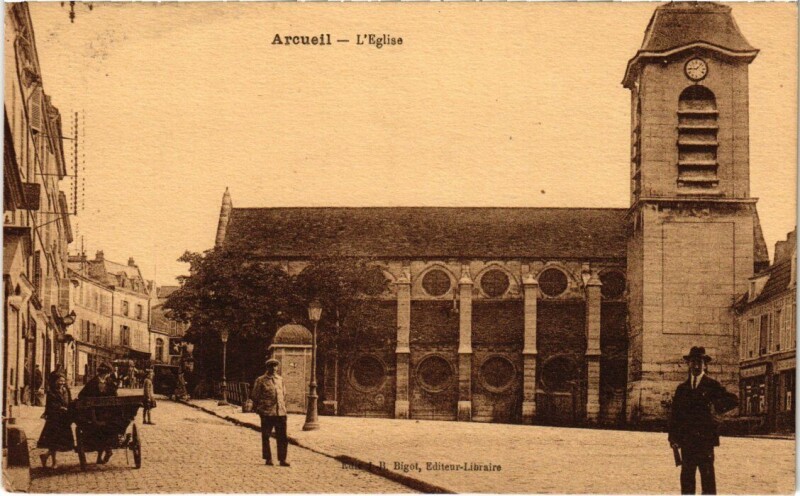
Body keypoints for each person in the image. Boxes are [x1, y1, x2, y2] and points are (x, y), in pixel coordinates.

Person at [668, 346, 738, 495]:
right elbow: (675, 416)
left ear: (705, 364)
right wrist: (673, 438)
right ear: (688, 364)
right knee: (687, 479)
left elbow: (733, 400)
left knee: (707, 480)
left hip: (705, 441)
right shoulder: (682, 389)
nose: (696, 365)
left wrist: (716, 409)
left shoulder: (712, 386)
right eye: (693, 361)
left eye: (700, 362)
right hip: (687, 442)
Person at [251, 358, 290, 467]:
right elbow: (255, 395)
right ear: (267, 367)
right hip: (267, 413)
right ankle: (268, 458)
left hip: (280, 412)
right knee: (266, 436)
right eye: (271, 366)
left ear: (277, 367)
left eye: (275, 366)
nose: (274, 368)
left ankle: (282, 459)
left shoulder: (280, 380)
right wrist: (262, 407)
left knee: (282, 437)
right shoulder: (261, 380)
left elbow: (284, 394)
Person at [78, 362, 119, 464]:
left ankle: (106, 451)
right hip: (94, 413)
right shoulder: (92, 383)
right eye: (106, 373)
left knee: (110, 428)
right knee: (98, 430)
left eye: (107, 373)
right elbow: (81, 395)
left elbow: (115, 397)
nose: (107, 375)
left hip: (107, 413)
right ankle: (105, 451)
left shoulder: (110, 382)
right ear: (101, 373)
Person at [37, 371, 74, 469]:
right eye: (59, 381)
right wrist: (61, 408)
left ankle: (45, 456)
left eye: (63, 381)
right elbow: (51, 406)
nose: (61, 383)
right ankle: (54, 462)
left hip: (64, 420)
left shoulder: (66, 390)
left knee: (60, 442)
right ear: (55, 382)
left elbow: (70, 401)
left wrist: (72, 407)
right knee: (53, 441)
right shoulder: (51, 392)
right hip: (54, 420)